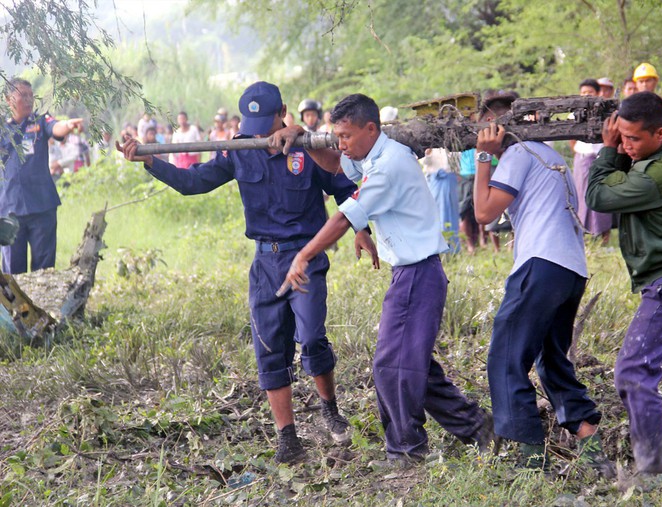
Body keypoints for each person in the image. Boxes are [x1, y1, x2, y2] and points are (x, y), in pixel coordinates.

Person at [117, 81, 369, 465]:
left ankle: (329, 408)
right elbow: (193, 182)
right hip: (265, 264)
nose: (257, 131)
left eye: (264, 122)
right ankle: (288, 438)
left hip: (305, 257)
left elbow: (342, 185)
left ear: (281, 111)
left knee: (313, 337)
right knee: (269, 348)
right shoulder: (239, 150)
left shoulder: (307, 147)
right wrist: (150, 161)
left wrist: (361, 228)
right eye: (251, 123)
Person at [274, 93, 495, 468]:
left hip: (418, 274)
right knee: (415, 365)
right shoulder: (372, 155)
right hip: (410, 273)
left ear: (371, 128)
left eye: (346, 135)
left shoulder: (390, 164)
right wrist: (304, 137)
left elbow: (344, 219)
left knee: (392, 365)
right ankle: (480, 428)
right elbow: (337, 168)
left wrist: (303, 254)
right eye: (336, 135)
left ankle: (406, 450)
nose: (341, 144)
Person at [473, 94, 613, 476]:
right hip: (571, 270)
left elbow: (485, 213)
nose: (478, 133)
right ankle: (592, 449)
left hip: (542, 263)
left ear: (497, 128)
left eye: (483, 126)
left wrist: (483, 157)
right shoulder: (549, 156)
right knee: (551, 359)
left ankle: (531, 462)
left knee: (505, 358)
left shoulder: (518, 155)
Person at [586, 92, 662, 484]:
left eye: (633, 139)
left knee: (633, 372)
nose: (625, 145)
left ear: (660, 132)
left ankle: (651, 474)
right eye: (622, 137)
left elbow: (598, 196)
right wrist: (623, 150)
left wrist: (606, 151)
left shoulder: (658, 173)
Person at [0, 78, 83, 274]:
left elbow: (56, 127)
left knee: (44, 270)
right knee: (13, 272)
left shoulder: (40, 121)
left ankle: (41, 305)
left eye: (31, 95)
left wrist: (68, 125)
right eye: (23, 95)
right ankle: (16, 306)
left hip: (42, 206)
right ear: (7, 99)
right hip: (10, 209)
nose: (29, 100)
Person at [572, 79, 612, 243]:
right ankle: (585, 238)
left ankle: (604, 238)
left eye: (590, 92)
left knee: (604, 195)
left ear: (598, 93)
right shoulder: (575, 112)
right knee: (582, 196)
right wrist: (578, 150)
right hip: (582, 159)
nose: (586, 95)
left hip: (601, 158)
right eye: (583, 92)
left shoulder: (605, 112)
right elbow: (571, 137)